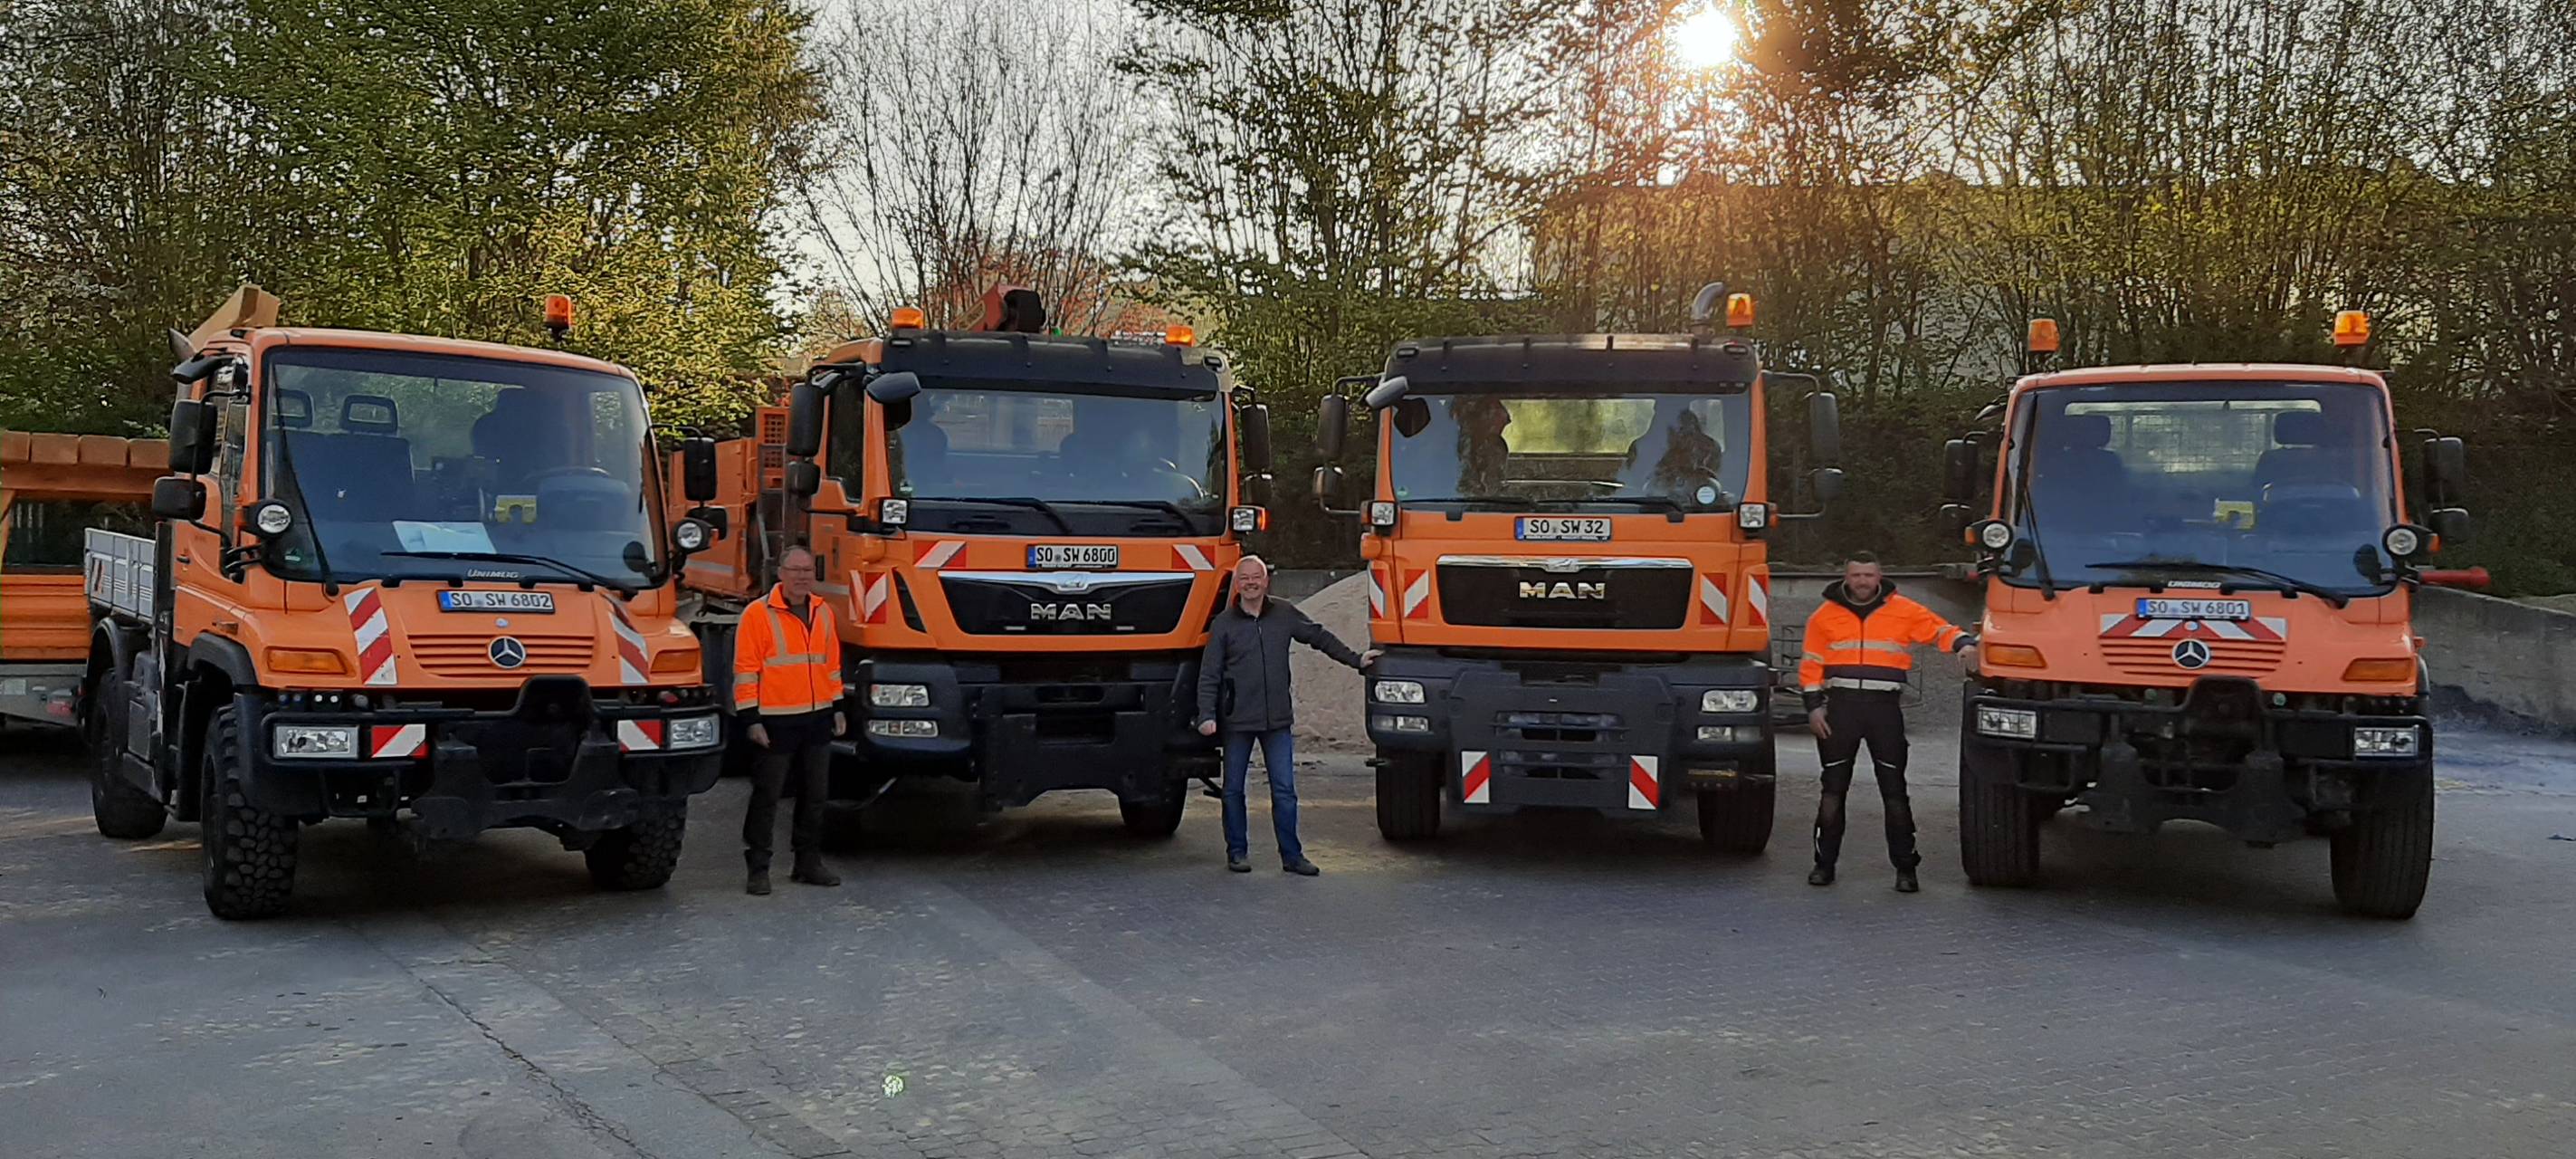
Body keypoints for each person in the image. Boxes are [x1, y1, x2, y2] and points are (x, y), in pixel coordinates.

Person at [1796, 552, 1977, 893]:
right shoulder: (1824, 616)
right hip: (1841, 710)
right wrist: (1813, 707)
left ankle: (1906, 869)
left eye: (1868, 575)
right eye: (1856, 575)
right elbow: (1811, 665)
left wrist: (1964, 644)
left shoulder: (1903, 609)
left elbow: (1939, 630)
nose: (1862, 581)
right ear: (1846, 577)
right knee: (1833, 790)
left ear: (1879, 577)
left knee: (1894, 792)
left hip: (1884, 710)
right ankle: (1824, 864)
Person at [1194, 556, 1379, 876]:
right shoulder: (1223, 624)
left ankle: (1292, 856)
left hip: (1277, 720)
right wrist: (1206, 715)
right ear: (1237, 584)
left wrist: (1357, 660)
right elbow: (1209, 674)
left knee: (1284, 790)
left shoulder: (1283, 613)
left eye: (1257, 577)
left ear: (1266, 581)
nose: (1251, 583)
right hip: (1237, 720)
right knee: (1234, 790)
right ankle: (1237, 852)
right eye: (1245, 579)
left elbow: (1319, 637)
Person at [732, 545, 847, 896]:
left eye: (808, 571)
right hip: (775, 721)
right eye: (795, 570)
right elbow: (745, 670)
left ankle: (807, 862)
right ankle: (758, 868)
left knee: (815, 795)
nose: (802, 577)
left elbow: (831, 665)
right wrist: (751, 719)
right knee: (767, 796)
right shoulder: (757, 614)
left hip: (816, 719)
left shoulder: (823, 612)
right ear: (779, 573)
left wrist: (838, 707)